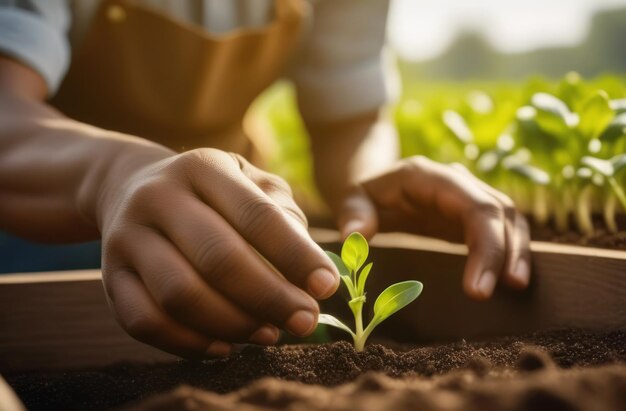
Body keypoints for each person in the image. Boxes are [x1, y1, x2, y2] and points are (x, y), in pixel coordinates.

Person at [0, 0, 530, 358]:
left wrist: (364, 184)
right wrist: (113, 174)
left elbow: (347, 114)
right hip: (43, 209)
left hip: (233, 224)